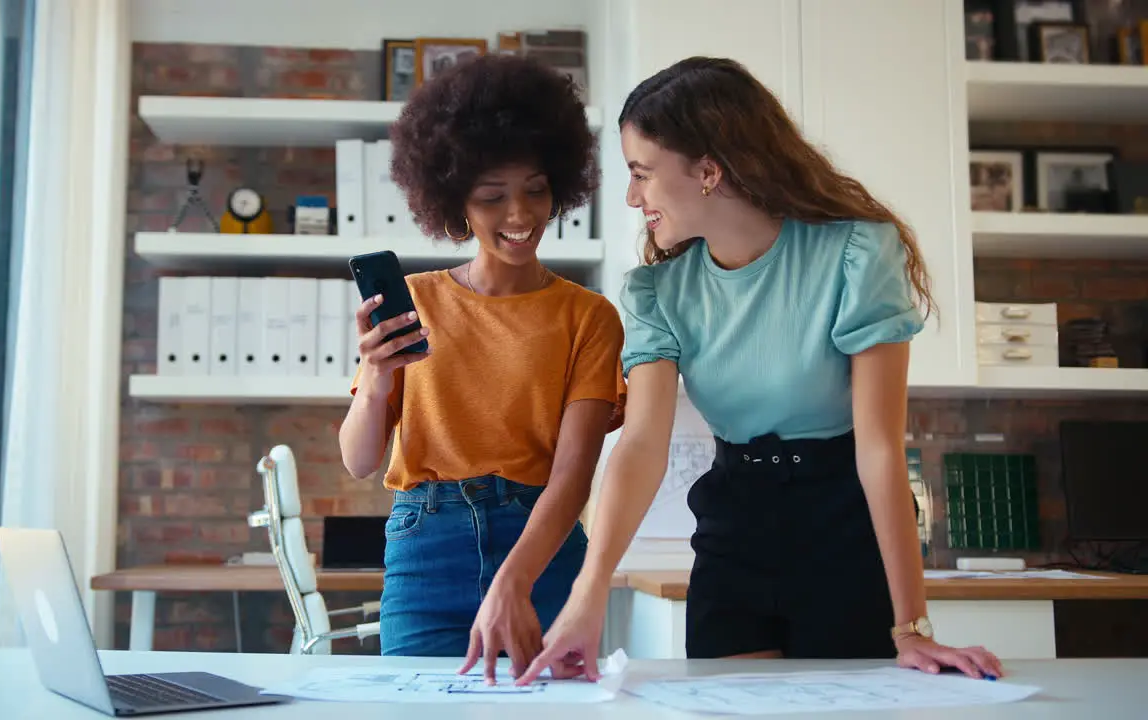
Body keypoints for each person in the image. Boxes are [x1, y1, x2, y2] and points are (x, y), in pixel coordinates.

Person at [519, 56, 1005, 683]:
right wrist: (586, 600)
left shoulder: (857, 252)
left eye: (641, 174)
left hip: (843, 531)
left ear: (708, 171)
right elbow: (640, 446)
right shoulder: (656, 292)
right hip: (733, 532)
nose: (632, 196)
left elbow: (881, 450)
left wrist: (911, 627)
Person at [337, 53, 625, 681]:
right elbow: (360, 460)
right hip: (424, 554)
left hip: (541, 550)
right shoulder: (414, 301)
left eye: (536, 190)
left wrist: (512, 581)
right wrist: (376, 384)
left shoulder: (588, 317)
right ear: (455, 202)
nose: (520, 216)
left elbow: (573, 477)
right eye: (493, 197)